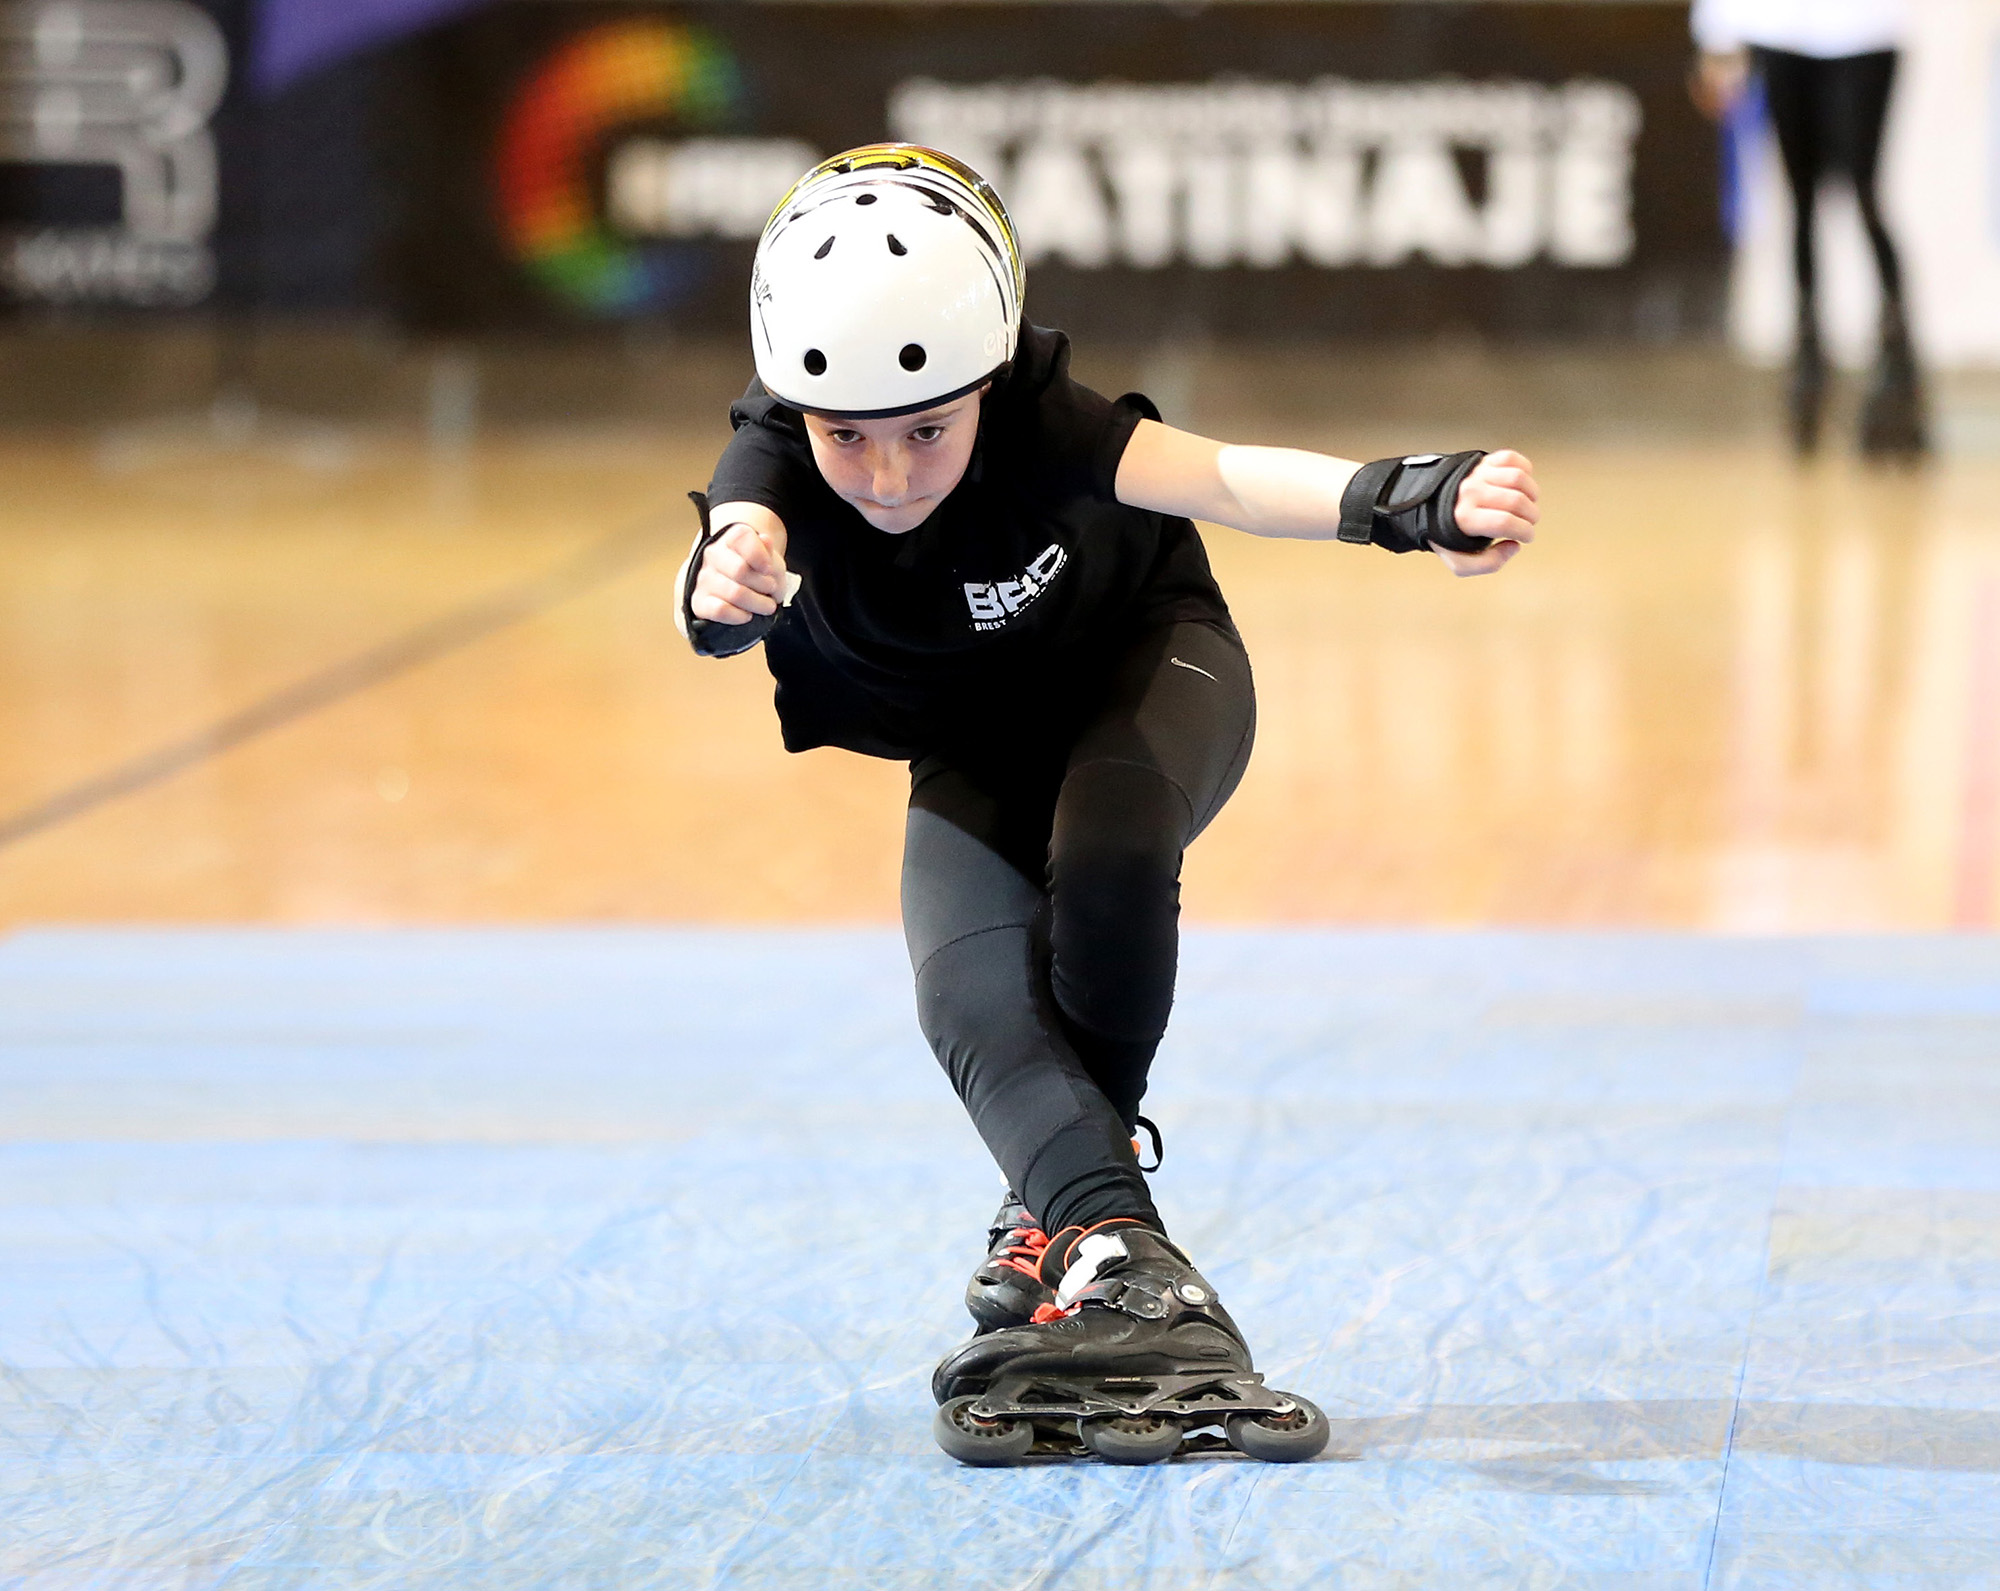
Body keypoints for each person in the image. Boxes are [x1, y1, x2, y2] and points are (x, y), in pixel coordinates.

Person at [678, 145, 1540, 1464]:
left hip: (1151, 666)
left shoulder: (1045, 424)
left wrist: (1405, 498)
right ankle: (1102, 1232)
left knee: (1110, 848)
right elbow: (734, 541)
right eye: (848, 437)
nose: (893, 475)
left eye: (927, 430)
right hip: (970, 734)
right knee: (961, 995)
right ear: (797, 410)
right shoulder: (778, 462)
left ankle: (1089, 1225)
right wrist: (720, 577)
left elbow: (1231, 479)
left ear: (983, 384)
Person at [1690, 0, 1926, 457]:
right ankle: (1808, 357)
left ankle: (1896, 359)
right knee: (1801, 201)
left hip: (1865, 31)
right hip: (1780, 30)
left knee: (1863, 192)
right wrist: (1717, 35)